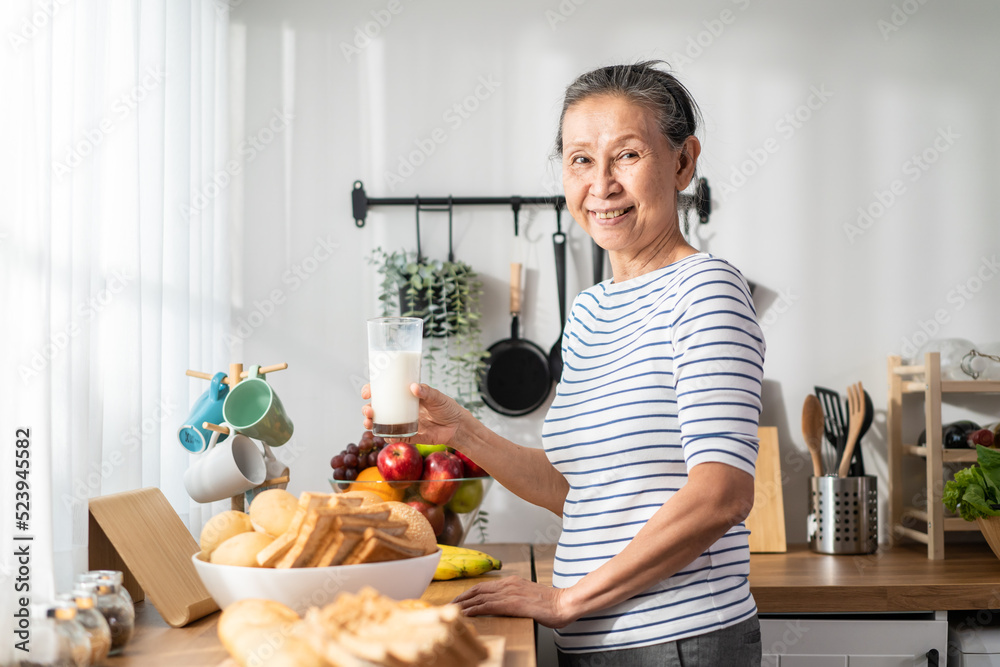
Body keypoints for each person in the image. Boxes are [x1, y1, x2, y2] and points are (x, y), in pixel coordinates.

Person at [362, 61, 765, 666]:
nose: (601, 185)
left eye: (626, 155)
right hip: (597, 643)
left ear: (683, 162)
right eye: (580, 160)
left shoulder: (705, 291)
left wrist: (569, 600)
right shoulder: (591, 311)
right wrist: (462, 432)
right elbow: (579, 492)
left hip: (676, 642)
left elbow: (722, 494)